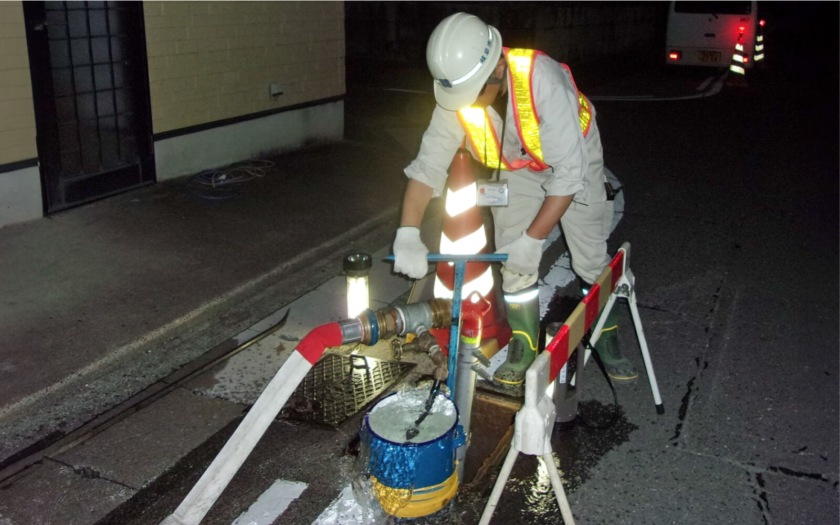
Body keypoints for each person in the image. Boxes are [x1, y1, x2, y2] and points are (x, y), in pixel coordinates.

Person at [392, 12, 636, 385]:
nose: (462, 104)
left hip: (575, 159)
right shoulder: (456, 96)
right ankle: (523, 342)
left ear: (496, 69)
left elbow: (568, 175)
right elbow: (427, 168)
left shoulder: (544, 80)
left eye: (470, 93)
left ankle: (606, 333)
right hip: (518, 167)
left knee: (589, 259)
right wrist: (408, 233)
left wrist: (534, 238)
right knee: (514, 261)